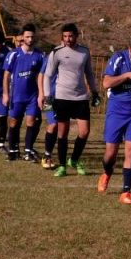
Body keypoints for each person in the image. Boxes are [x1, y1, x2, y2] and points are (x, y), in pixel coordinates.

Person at [98, 37, 131, 204]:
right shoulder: (118, 58)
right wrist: (127, 75)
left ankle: (126, 192)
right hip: (116, 111)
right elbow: (106, 83)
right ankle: (106, 173)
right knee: (111, 152)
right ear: (129, 49)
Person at [42, 23, 98, 177]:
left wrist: (94, 92)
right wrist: (47, 95)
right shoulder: (57, 52)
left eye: (71, 36)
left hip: (80, 97)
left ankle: (74, 159)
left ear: (76, 35)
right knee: (63, 132)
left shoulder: (84, 52)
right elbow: (47, 75)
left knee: (84, 132)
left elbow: (90, 74)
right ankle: (61, 166)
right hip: (62, 97)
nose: (68, 39)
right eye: (65, 36)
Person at [3, 24, 44, 162]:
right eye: (27, 37)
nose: (30, 39)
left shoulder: (39, 55)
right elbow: (6, 75)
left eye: (32, 37)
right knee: (14, 122)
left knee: (31, 121)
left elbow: (40, 75)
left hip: (32, 95)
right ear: (22, 37)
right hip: (16, 95)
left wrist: (41, 94)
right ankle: (13, 149)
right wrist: (5, 94)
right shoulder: (14, 54)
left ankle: (28, 150)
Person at [36, 50, 59, 169]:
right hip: (49, 98)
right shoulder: (52, 56)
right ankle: (46, 156)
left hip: (64, 97)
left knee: (59, 126)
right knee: (53, 124)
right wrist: (41, 94)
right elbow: (41, 75)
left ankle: (53, 154)